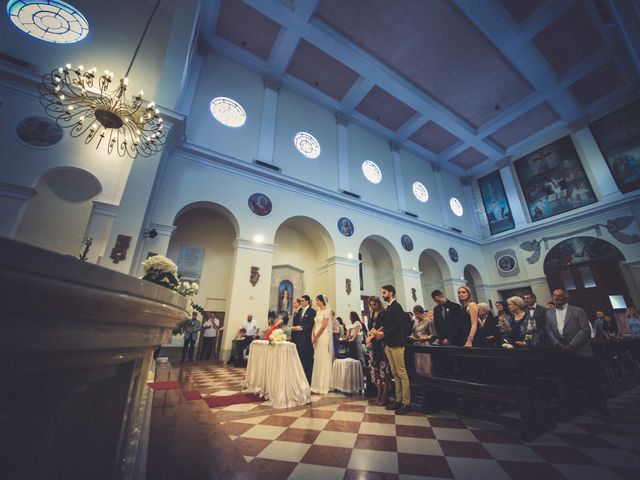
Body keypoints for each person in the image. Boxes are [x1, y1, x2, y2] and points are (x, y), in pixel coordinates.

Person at [545, 289, 608, 413]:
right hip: (562, 351)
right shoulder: (549, 313)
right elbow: (549, 330)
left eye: (559, 296)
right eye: (554, 296)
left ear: (566, 298)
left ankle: (599, 405)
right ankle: (574, 406)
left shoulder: (578, 310)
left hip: (580, 350)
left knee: (590, 379)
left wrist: (572, 345)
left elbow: (585, 330)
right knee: (568, 380)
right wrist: (557, 344)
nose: (556, 298)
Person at [376, 285, 411, 414]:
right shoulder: (389, 307)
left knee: (401, 373)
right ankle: (398, 399)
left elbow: (398, 326)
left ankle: (406, 402)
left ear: (391, 293)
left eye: (384, 292)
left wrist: (384, 334)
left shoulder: (396, 306)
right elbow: (387, 325)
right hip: (389, 344)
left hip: (397, 343)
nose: (382, 295)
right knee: (395, 373)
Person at [367, 296, 390, 406]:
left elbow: (384, 326)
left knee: (383, 371)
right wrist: (369, 337)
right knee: (375, 371)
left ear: (378, 304)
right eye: (371, 305)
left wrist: (373, 334)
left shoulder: (384, 313)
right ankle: (378, 393)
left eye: (374, 304)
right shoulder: (371, 314)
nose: (372, 306)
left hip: (381, 344)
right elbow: (370, 327)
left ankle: (384, 395)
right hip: (373, 345)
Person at [310, 295, 333, 394]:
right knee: (317, 357)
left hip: (322, 336)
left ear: (322, 301)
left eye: (318, 300)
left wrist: (316, 337)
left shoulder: (327, 311)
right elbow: (315, 324)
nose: (316, 302)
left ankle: (324, 384)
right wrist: (312, 335)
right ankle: (317, 383)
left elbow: (323, 326)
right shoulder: (318, 311)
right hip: (316, 334)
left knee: (323, 357)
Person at [290, 295, 316, 383]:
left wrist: (301, 327)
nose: (301, 302)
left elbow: (311, 324)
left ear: (307, 301)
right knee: (301, 359)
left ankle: (309, 379)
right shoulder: (301, 311)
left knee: (308, 359)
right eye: (300, 301)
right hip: (300, 338)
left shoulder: (312, 311)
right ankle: (302, 378)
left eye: (303, 301)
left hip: (307, 339)